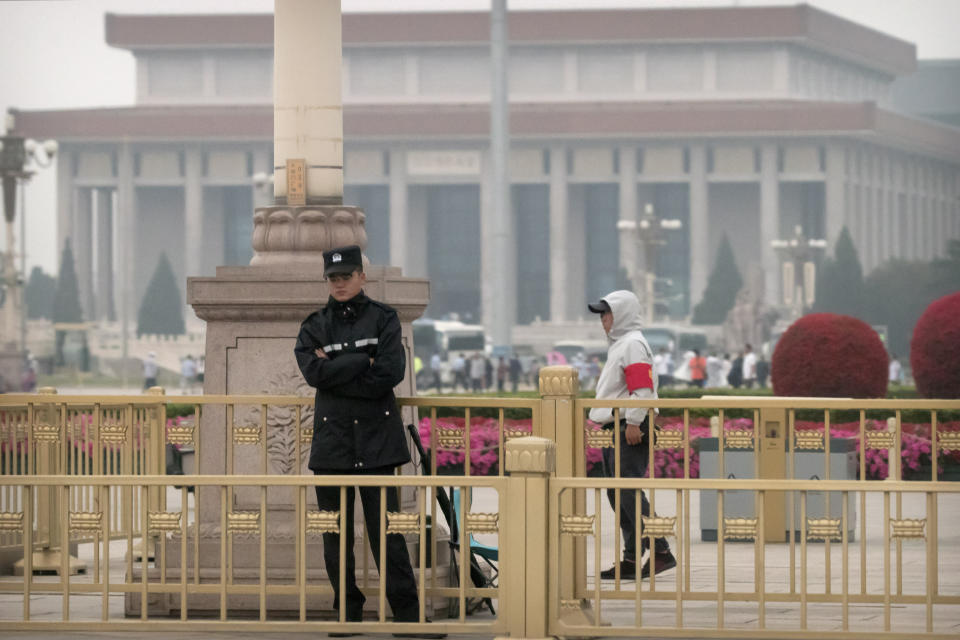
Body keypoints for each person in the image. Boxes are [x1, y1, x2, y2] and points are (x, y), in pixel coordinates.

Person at [294, 245, 444, 639]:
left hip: (377, 442)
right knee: (335, 537)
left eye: (346, 276)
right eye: (333, 278)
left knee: (389, 534)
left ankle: (408, 617)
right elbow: (314, 374)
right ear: (326, 281)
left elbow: (391, 372)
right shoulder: (314, 324)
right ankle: (347, 613)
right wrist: (364, 360)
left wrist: (337, 366)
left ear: (362, 276)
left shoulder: (384, 318)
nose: (340, 284)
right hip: (334, 445)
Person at [587, 290, 676, 581]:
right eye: (601, 314)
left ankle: (661, 551)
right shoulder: (621, 345)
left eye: (607, 312)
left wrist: (636, 422)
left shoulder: (633, 344)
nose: (603, 319)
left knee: (628, 493)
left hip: (628, 427)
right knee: (619, 495)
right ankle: (630, 558)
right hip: (616, 427)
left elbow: (643, 390)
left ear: (622, 314)